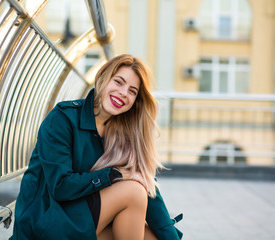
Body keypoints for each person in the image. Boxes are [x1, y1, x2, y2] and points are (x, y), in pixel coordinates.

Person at [10, 54, 183, 240]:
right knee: (134, 192)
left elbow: (148, 188)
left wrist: (171, 236)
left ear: (135, 103)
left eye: (132, 91)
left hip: (82, 215)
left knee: (152, 235)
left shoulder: (124, 133)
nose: (124, 93)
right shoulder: (62, 118)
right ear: (102, 78)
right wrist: (113, 175)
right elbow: (60, 186)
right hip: (47, 219)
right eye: (118, 82)